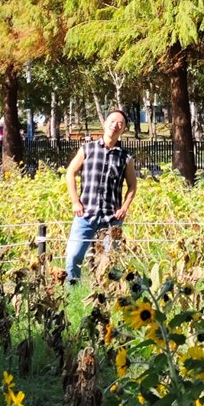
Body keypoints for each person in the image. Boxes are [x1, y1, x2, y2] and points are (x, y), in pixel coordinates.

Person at [64, 110, 137, 284]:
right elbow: (70, 172)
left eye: (120, 123)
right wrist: (75, 201)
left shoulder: (125, 158)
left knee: (110, 260)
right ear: (104, 124)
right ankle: (72, 292)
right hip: (85, 214)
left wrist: (124, 207)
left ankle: (107, 292)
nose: (115, 125)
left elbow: (132, 186)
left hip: (112, 218)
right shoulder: (87, 149)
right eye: (112, 121)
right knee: (73, 256)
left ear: (124, 129)